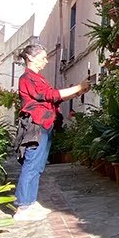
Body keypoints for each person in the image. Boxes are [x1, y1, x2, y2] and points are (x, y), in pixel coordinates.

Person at [13, 43, 89, 221]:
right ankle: (23, 205)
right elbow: (50, 95)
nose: (46, 61)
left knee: (38, 165)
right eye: (42, 57)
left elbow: (53, 98)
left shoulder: (37, 78)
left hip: (45, 124)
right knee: (32, 163)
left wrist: (77, 92)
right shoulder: (28, 78)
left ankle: (30, 201)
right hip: (36, 125)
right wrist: (77, 88)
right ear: (30, 58)